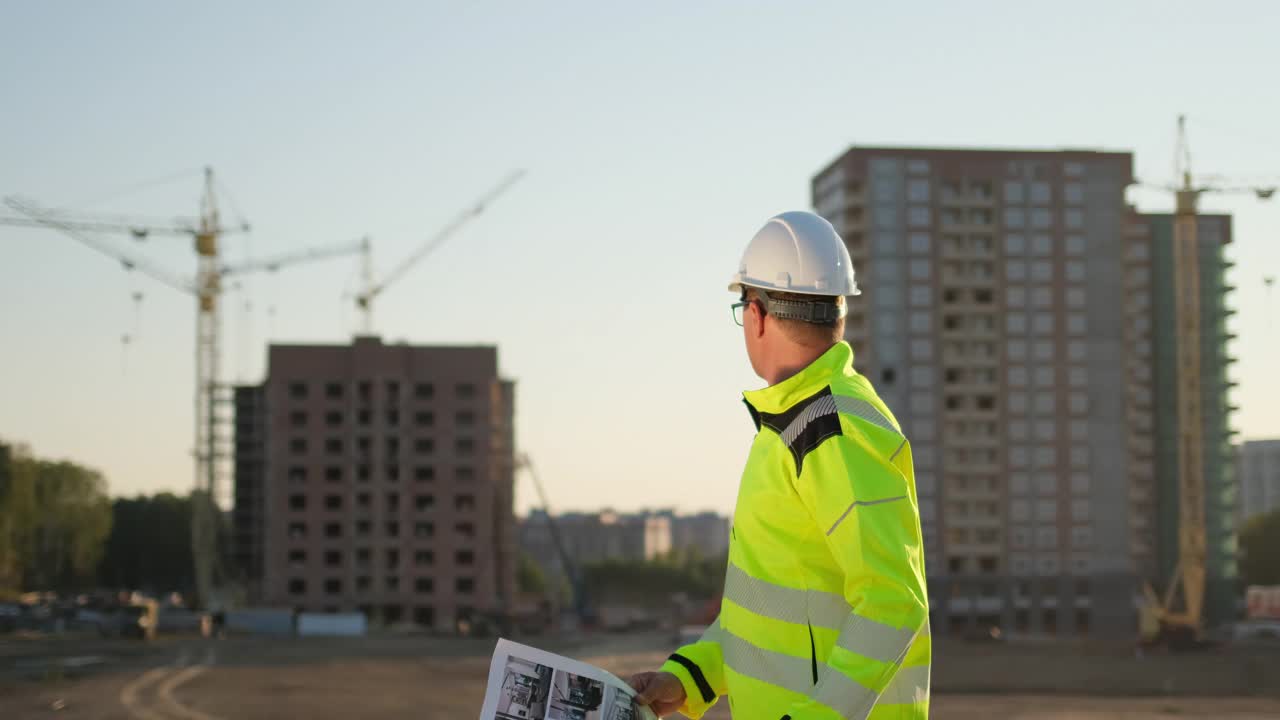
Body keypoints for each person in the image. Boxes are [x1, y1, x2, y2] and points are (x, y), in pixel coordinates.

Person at [629, 211, 930, 719]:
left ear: (756, 313)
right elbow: (770, 615)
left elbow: (894, 602)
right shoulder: (793, 426)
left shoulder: (831, 429)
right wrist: (686, 679)